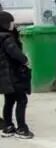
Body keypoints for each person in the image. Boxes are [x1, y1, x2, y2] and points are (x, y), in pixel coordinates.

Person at [0, 11, 33, 139]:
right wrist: (26, 61)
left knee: (9, 101)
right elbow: (15, 53)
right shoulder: (7, 38)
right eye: (11, 22)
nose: (13, 24)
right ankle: (22, 128)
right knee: (21, 100)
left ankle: (8, 127)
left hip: (5, 77)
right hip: (13, 75)